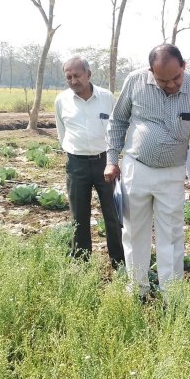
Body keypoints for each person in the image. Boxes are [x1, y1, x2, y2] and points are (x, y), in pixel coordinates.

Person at [105, 44, 190, 297]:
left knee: (172, 235)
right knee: (134, 233)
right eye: (163, 80)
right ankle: (137, 290)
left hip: (172, 173)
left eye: (176, 78)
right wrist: (112, 159)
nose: (172, 85)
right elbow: (118, 120)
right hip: (136, 168)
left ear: (184, 66)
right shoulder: (135, 81)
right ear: (151, 71)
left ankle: (171, 295)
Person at [54, 55, 124, 268]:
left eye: (77, 75)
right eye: (69, 77)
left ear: (88, 74)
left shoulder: (106, 98)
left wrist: (114, 159)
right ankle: (81, 262)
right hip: (77, 165)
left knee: (112, 214)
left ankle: (119, 261)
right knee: (79, 216)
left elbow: (118, 128)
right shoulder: (61, 101)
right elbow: (61, 133)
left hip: (106, 162)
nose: (73, 81)